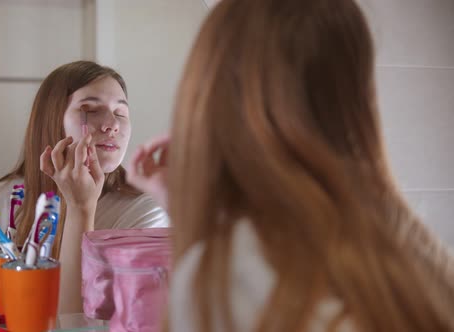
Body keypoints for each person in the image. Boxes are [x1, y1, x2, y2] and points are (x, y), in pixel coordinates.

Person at [127, 0, 454, 331]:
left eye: (118, 110)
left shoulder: (223, 281)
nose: (109, 125)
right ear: (357, 100)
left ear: (208, 96)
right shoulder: (423, 260)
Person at [0, 60, 169, 313]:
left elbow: (79, 322)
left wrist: (81, 208)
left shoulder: (147, 214)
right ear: (51, 121)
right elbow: (3, 309)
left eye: (121, 113)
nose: (112, 124)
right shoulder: (7, 196)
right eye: (90, 109)